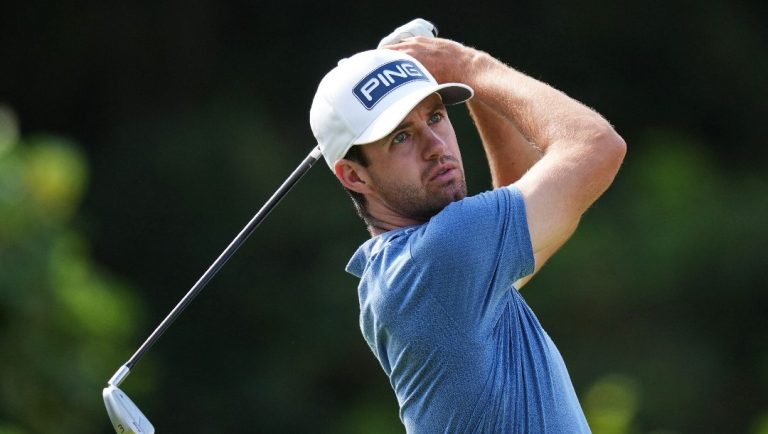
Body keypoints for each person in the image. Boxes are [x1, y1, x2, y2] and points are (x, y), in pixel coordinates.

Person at [309, 27, 626, 433]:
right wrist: (468, 64)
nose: (435, 145)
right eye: (402, 137)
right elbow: (598, 146)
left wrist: (474, 90)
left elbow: (520, 198)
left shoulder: (405, 272)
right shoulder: (441, 255)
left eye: (436, 116)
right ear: (353, 176)